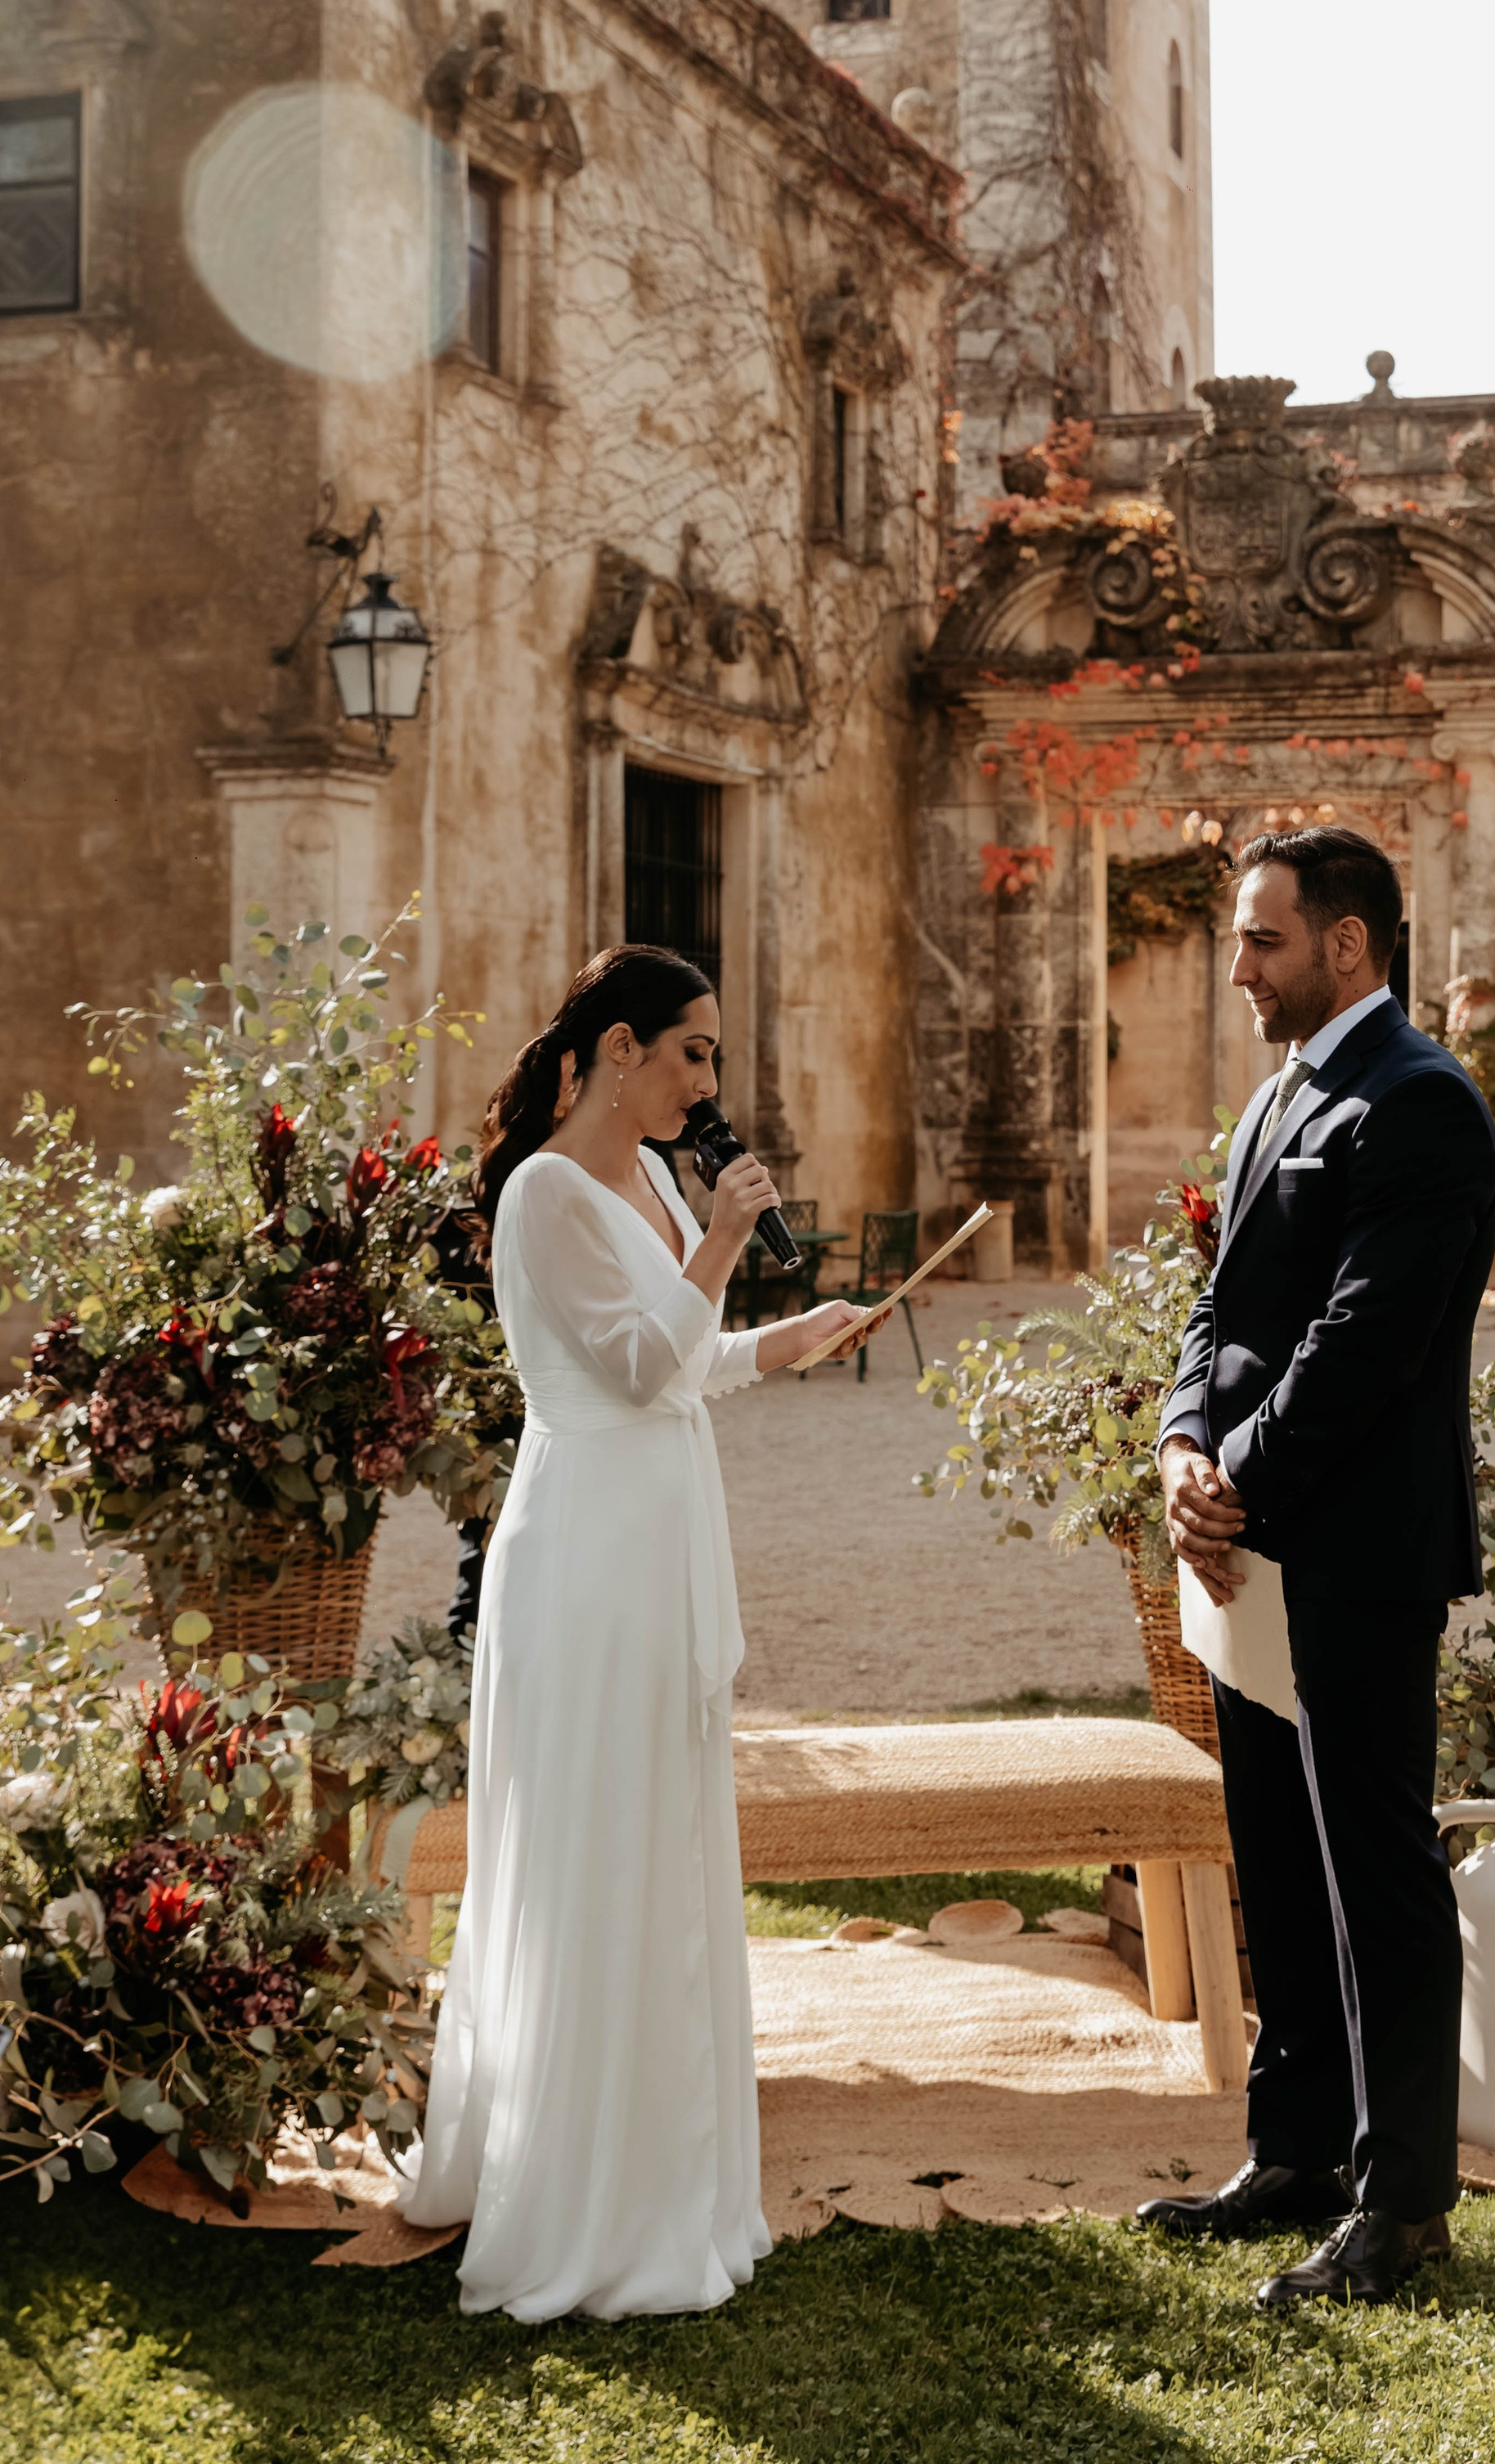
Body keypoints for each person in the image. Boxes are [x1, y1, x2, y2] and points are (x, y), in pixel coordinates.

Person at [403, 944, 868, 2318]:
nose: (708, 1079)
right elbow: (624, 1365)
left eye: (713, 1056)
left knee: (664, 1835)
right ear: (615, 1050)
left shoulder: (660, 1179)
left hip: (661, 1524)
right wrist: (725, 1236)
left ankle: (671, 2172)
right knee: (595, 1840)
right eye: (692, 1051)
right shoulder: (544, 1190)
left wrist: (789, 1339)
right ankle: (581, 2194)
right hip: (587, 1543)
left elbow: (687, 1364)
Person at [1137, 828, 1495, 2309]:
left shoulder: (1423, 1106)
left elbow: (1368, 1342)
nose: (1236, 967)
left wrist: (1241, 1480)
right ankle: (1293, 2150)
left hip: (1354, 1549)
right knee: (1277, 1860)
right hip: (1251, 1547)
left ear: (1349, 945)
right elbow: (1216, 1306)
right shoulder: (1279, 1091)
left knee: (1375, 1868)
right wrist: (1177, 1443)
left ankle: (1403, 2201)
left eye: (1260, 940)